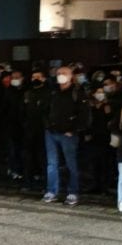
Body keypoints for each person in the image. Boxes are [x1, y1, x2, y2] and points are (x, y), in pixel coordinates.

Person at [42, 66, 90, 206]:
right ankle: (52, 191)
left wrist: (74, 130)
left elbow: (84, 114)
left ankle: (72, 192)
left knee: (71, 164)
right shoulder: (52, 92)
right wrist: (48, 126)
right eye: (59, 73)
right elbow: (45, 111)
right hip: (51, 132)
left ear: (71, 76)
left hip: (68, 134)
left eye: (64, 73)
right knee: (52, 164)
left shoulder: (77, 93)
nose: (61, 75)